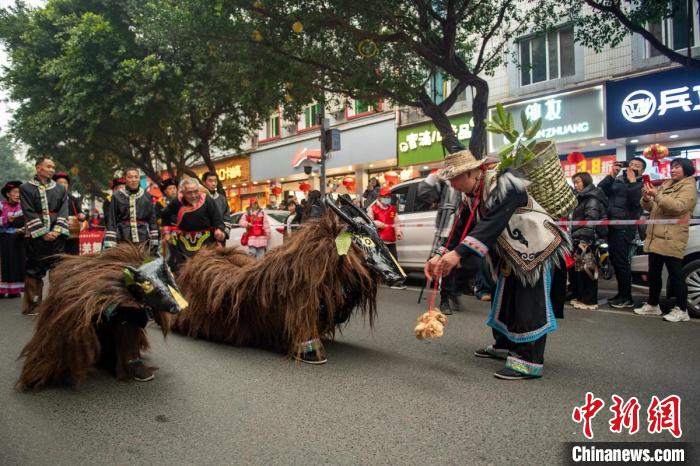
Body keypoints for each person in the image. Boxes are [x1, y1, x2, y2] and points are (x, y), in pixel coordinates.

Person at [425, 150, 570, 380]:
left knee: (527, 304)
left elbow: (493, 223)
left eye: (454, 178)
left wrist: (459, 254)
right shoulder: (471, 195)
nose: (451, 184)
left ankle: (528, 361)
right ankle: (504, 345)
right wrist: (441, 253)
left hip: (534, 249)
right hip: (511, 254)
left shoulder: (505, 183)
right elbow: (462, 228)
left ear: (472, 173)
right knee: (504, 300)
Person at [635, 158, 698, 322]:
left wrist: (657, 194)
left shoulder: (689, 187)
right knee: (654, 274)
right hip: (655, 236)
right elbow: (651, 207)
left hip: (672, 237)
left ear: (686, 169)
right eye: (672, 167)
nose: (673, 170)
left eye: (677, 167)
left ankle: (682, 309)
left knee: (676, 275)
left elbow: (677, 207)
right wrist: (647, 198)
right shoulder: (666, 184)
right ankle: (653, 305)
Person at [19, 158, 70, 315]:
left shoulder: (60, 189)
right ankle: (33, 305)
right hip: (36, 237)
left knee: (58, 268)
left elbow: (64, 210)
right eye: (48, 166)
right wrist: (43, 232)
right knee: (34, 270)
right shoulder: (25, 188)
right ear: (38, 168)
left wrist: (56, 231)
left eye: (53, 167)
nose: (51, 169)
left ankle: (57, 304)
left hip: (57, 236)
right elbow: (28, 211)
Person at [598, 158, 645, 308]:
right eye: (631, 165)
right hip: (611, 226)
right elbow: (600, 190)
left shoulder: (641, 184)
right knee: (616, 263)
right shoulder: (618, 180)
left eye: (637, 166)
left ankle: (627, 297)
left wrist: (632, 182)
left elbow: (637, 202)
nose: (632, 168)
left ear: (642, 171)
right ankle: (620, 294)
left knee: (621, 263)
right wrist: (612, 175)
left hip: (624, 228)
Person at [158, 178, 225, 272]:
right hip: (183, 241)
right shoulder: (176, 202)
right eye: (189, 192)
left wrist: (219, 229)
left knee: (207, 268)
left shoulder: (207, 200)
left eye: (195, 191)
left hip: (206, 240)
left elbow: (217, 218)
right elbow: (165, 216)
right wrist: (167, 233)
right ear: (182, 192)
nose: (193, 195)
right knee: (183, 269)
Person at [569, 172, 609, 310]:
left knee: (589, 270)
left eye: (578, 182)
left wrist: (584, 241)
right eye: (574, 182)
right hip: (580, 237)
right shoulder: (582, 197)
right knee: (581, 270)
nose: (576, 185)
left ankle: (590, 300)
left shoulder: (592, 198)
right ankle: (582, 298)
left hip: (588, 239)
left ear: (585, 181)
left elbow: (590, 220)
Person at [104, 168, 159, 253]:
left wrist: (154, 240)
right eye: (130, 177)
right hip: (123, 235)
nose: (133, 180)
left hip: (143, 236)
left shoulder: (147, 196)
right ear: (125, 179)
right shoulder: (117, 196)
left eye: (136, 177)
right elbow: (112, 220)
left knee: (144, 262)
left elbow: (152, 219)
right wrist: (111, 242)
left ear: (139, 179)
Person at [368, 186, 404, 289]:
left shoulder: (392, 209)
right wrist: (378, 224)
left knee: (394, 261)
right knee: (379, 261)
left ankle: (395, 281)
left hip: (391, 240)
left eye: (388, 197)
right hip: (379, 241)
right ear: (379, 197)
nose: (387, 199)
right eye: (385, 197)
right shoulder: (373, 208)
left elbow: (396, 222)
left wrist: (398, 232)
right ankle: (375, 280)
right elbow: (369, 222)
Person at [0, 181, 26, 298]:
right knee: (3, 264)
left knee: (15, 263)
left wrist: (23, 229)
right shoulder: (1, 206)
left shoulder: (23, 207)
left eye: (19, 192)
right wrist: (6, 220)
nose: (18, 195)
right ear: (8, 194)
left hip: (17, 240)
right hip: (3, 240)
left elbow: (27, 222)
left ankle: (14, 290)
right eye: (15, 192)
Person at [52, 172, 85, 255]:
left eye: (65, 183)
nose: (63, 185)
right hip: (57, 232)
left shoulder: (72, 199)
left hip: (72, 232)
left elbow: (80, 212)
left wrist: (82, 216)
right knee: (59, 255)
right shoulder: (51, 198)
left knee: (73, 256)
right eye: (60, 183)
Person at [201, 172, 234, 245]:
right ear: (204, 182)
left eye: (215, 181)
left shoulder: (222, 199)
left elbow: (227, 219)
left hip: (219, 238)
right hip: (202, 239)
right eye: (210, 181)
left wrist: (223, 233)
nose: (213, 183)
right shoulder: (198, 199)